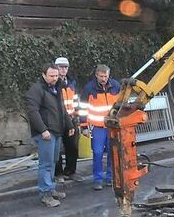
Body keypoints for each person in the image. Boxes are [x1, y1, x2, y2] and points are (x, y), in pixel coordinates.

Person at [25, 63, 75, 207]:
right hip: (46, 132)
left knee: (52, 161)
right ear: (43, 75)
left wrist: (69, 125)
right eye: (51, 76)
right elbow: (32, 111)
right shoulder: (36, 89)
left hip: (56, 131)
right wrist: (42, 130)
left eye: (56, 75)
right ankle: (45, 194)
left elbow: (62, 108)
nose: (54, 78)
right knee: (46, 164)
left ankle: (51, 189)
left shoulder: (56, 88)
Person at [82, 64, 121, 190]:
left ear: (109, 75)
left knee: (112, 152)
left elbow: (121, 104)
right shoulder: (89, 88)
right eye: (101, 76)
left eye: (106, 76)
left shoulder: (116, 86)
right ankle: (97, 179)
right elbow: (83, 109)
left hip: (113, 126)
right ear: (96, 75)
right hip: (98, 127)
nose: (104, 79)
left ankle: (110, 178)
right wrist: (84, 126)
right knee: (97, 153)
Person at [53, 57, 85, 182]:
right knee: (56, 148)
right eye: (61, 67)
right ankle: (58, 173)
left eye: (65, 67)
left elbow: (76, 100)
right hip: (56, 120)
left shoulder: (71, 82)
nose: (63, 69)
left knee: (72, 147)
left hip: (71, 119)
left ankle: (70, 171)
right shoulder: (52, 84)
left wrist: (77, 116)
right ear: (56, 68)